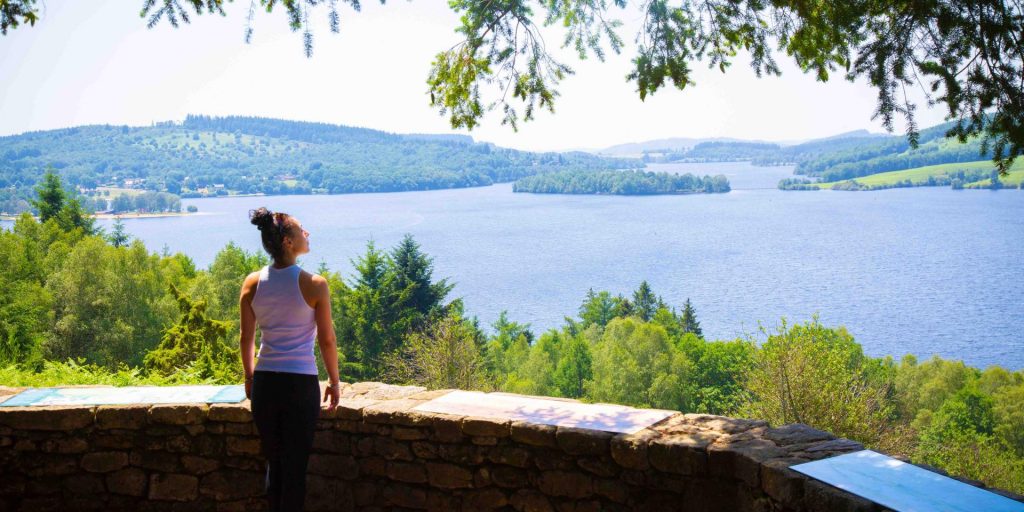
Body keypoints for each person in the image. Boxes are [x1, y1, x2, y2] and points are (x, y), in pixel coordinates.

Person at [239, 207, 341, 512]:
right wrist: (335, 382)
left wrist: (249, 377)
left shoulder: (252, 283)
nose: (306, 233)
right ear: (287, 241)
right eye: (301, 229)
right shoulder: (315, 284)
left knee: (275, 463)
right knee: (295, 467)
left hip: (266, 384)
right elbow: (327, 340)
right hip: (300, 385)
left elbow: (246, 338)